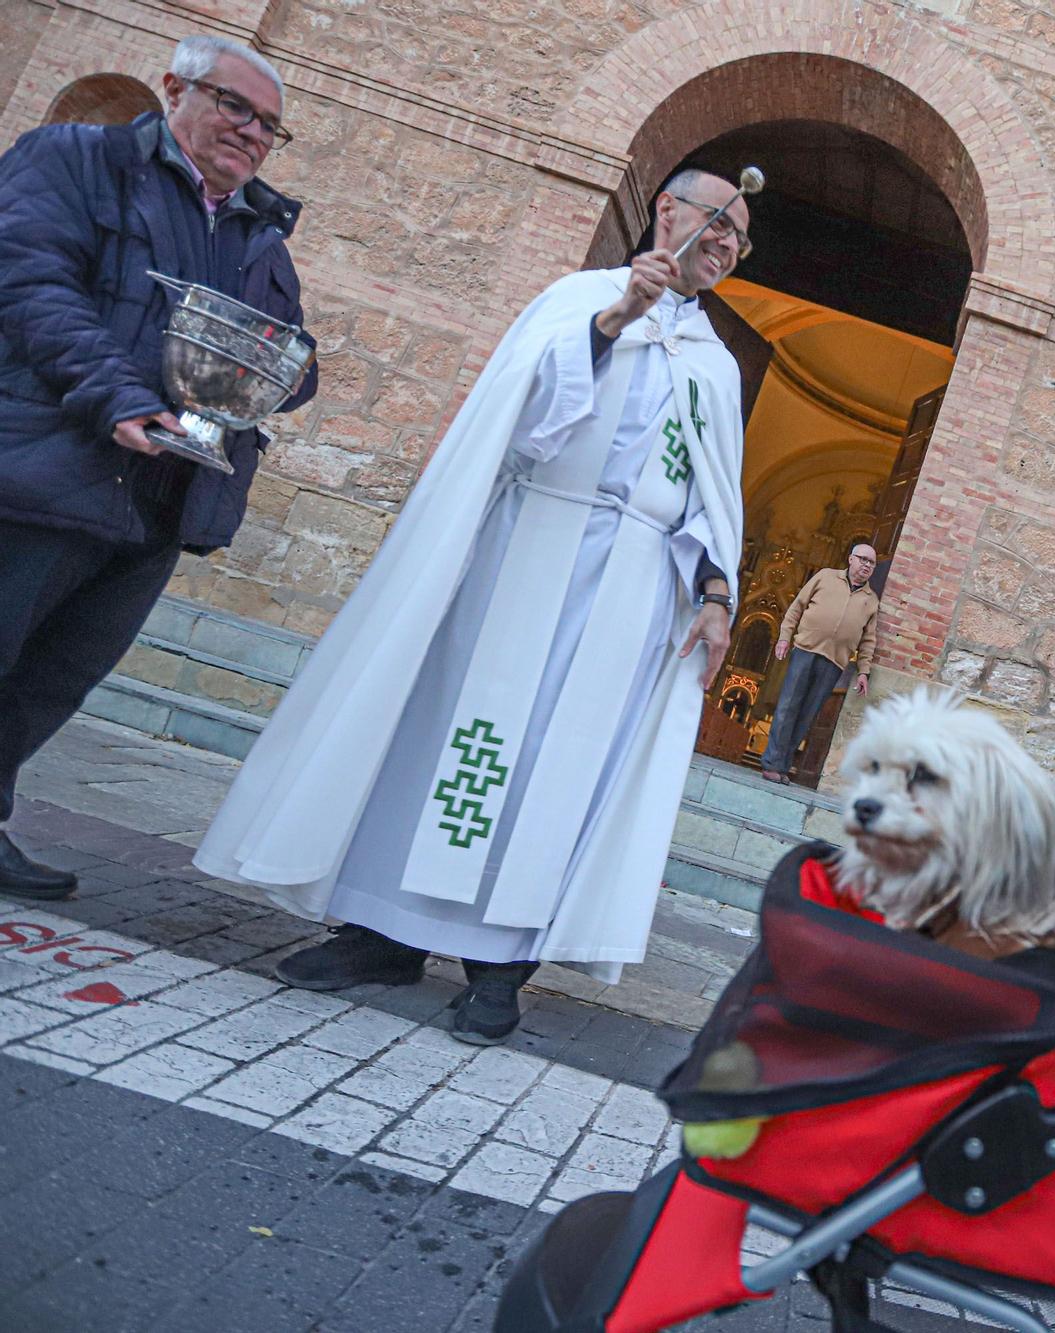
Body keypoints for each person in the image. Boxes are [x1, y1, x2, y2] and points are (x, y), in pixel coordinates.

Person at [197, 169, 752, 1044]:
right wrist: (613, 323)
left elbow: (710, 496)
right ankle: (382, 932)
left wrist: (716, 594)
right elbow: (521, 425)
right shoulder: (578, 300)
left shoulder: (716, 366)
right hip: (523, 545)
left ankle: (500, 966)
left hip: (632, 588)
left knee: (555, 768)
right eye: (716, 219)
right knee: (450, 732)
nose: (724, 241)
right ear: (668, 212)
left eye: (739, 236)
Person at [0, 35, 314, 900]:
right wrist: (117, 397)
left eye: (270, 126)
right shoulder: (77, 161)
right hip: (46, 467)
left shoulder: (260, 237)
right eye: (234, 106)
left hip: (161, 500)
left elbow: (286, 353)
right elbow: (30, 285)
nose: (251, 133)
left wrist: (283, 370)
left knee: (53, 677)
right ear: (175, 88)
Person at [760, 539, 881, 784]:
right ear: (851, 559)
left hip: (834, 663)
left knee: (807, 714)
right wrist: (784, 637)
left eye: (872, 562)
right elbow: (797, 607)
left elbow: (868, 640)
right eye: (863, 559)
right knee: (788, 706)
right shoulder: (825, 577)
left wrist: (863, 671)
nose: (867, 565)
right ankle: (772, 763)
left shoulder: (871, 600)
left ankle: (783, 766)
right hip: (805, 650)